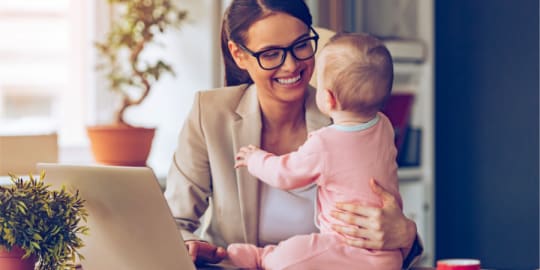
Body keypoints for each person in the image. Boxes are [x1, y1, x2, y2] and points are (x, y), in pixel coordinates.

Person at [164, 0, 422, 268]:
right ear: (239, 55)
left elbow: (383, 220)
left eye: (301, 45)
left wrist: (406, 234)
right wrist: (189, 246)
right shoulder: (210, 114)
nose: (290, 66)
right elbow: (173, 222)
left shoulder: (351, 115)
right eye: (271, 53)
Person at [226, 33, 402, 270]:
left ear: (328, 99)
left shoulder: (325, 143)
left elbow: (284, 173)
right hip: (389, 257)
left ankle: (262, 258)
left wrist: (255, 158)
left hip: (344, 246)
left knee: (294, 253)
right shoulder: (384, 126)